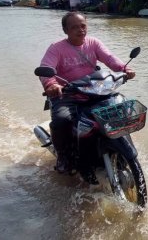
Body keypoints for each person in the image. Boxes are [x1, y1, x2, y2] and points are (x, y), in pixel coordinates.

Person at [39, 12, 136, 182]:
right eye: (74, 27)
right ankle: (63, 155)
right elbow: (45, 68)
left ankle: (118, 146)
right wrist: (52, 85)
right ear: (65, 30)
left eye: (83, 25)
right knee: (63, 120)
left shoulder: (93, 43)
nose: (80, 30)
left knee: (117, 110)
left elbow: (109, 58)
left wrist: (124, 69)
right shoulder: (56, 48)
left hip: (95, 89)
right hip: (67, 93)